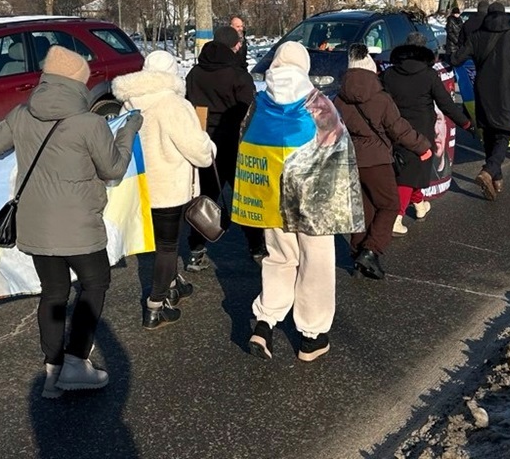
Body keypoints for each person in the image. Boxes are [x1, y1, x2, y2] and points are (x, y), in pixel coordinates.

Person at [0, 46, 143, 397]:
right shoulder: (90, 123)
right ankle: (76, 363)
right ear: (77, 83)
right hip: (80, 227)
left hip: (35, 226)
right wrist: (128, 131)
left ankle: (53, 371)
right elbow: (113, 168)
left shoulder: (22, 115)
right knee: (95, 283)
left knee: (54, 292)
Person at [233, 42, 362, 363]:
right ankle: (312, 337)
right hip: (311, 201)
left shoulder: (260, 103)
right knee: (316, 263)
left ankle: (264, 323)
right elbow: (338, 151)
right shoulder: (317, 103)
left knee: (279, 258)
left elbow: (244, 144)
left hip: (272, 199)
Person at [113, 51, 214, 329]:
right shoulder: (174, 104)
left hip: (139, 187)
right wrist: (210, 148)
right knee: (168, 247)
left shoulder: (129, 103)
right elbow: (197, 150)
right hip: (169, 188)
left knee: (158, 245)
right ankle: (155, 306)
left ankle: (172, 284)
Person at [334, 45, 431, 280]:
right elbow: (399, 128)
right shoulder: (380, 98)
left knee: (364, 209)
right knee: (389, 205)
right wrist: (422, 146)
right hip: (377, 160)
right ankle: (370, 251)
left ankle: (357, 255)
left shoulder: (338, 99)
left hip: (350, 160)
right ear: (371, 69)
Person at [185, 25, 264, 268]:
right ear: (233, 45)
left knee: (206, 196)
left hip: (204, 141)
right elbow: (249, 110)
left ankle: (196, 249)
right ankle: (256, 247)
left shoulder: (195, 73)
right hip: (234, 142)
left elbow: (189, 103)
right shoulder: (238, 75)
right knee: (245, 195)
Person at [381, 32, 471, 235]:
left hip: (395, 129)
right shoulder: (429, 75)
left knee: (410, 170)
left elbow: (380, 101)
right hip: (422, 133)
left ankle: (420, 204)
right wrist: (466, 123)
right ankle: (397, 217)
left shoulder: (389, 74)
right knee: (408, 176)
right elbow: (446, 104)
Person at [450, 3, 510, 201]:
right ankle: (488, 171)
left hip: (483, 91)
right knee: (503, 135)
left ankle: (496, 178)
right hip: (508, 91)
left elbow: (456, 59)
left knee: (488, 134)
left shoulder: (477, 36)